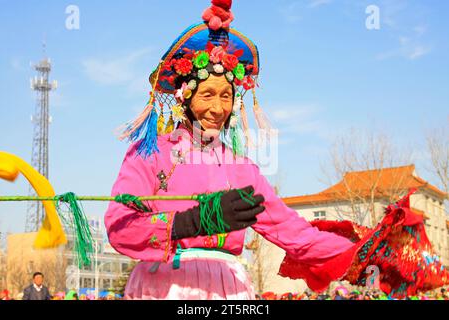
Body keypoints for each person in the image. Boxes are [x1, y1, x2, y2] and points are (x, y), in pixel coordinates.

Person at [105, 0, 449, 300]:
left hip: (229, 287)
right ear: (185, 98)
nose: (217, 107)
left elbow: (294, 232)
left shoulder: (242, 169)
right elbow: (120, 225)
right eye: (207, 95)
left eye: (225, 96)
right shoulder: (150, 153)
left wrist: (368, 252)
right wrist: (191, 222)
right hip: (166, 285)